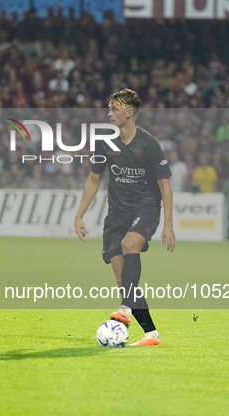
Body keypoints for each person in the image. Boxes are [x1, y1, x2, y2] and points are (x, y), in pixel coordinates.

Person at [74, 88, 176, 346]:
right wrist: (79, 215)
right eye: (109, 108)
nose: (109, 113)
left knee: (129, 244)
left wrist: (168, 225)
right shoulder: (104, 143)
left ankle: (125, 309)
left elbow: (165, 186)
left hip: (146, 208)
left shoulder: (149, 144)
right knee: (123, 279)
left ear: (129, 113)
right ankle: (152, 334)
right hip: (116, 214)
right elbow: (94, 179)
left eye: (115, 109)